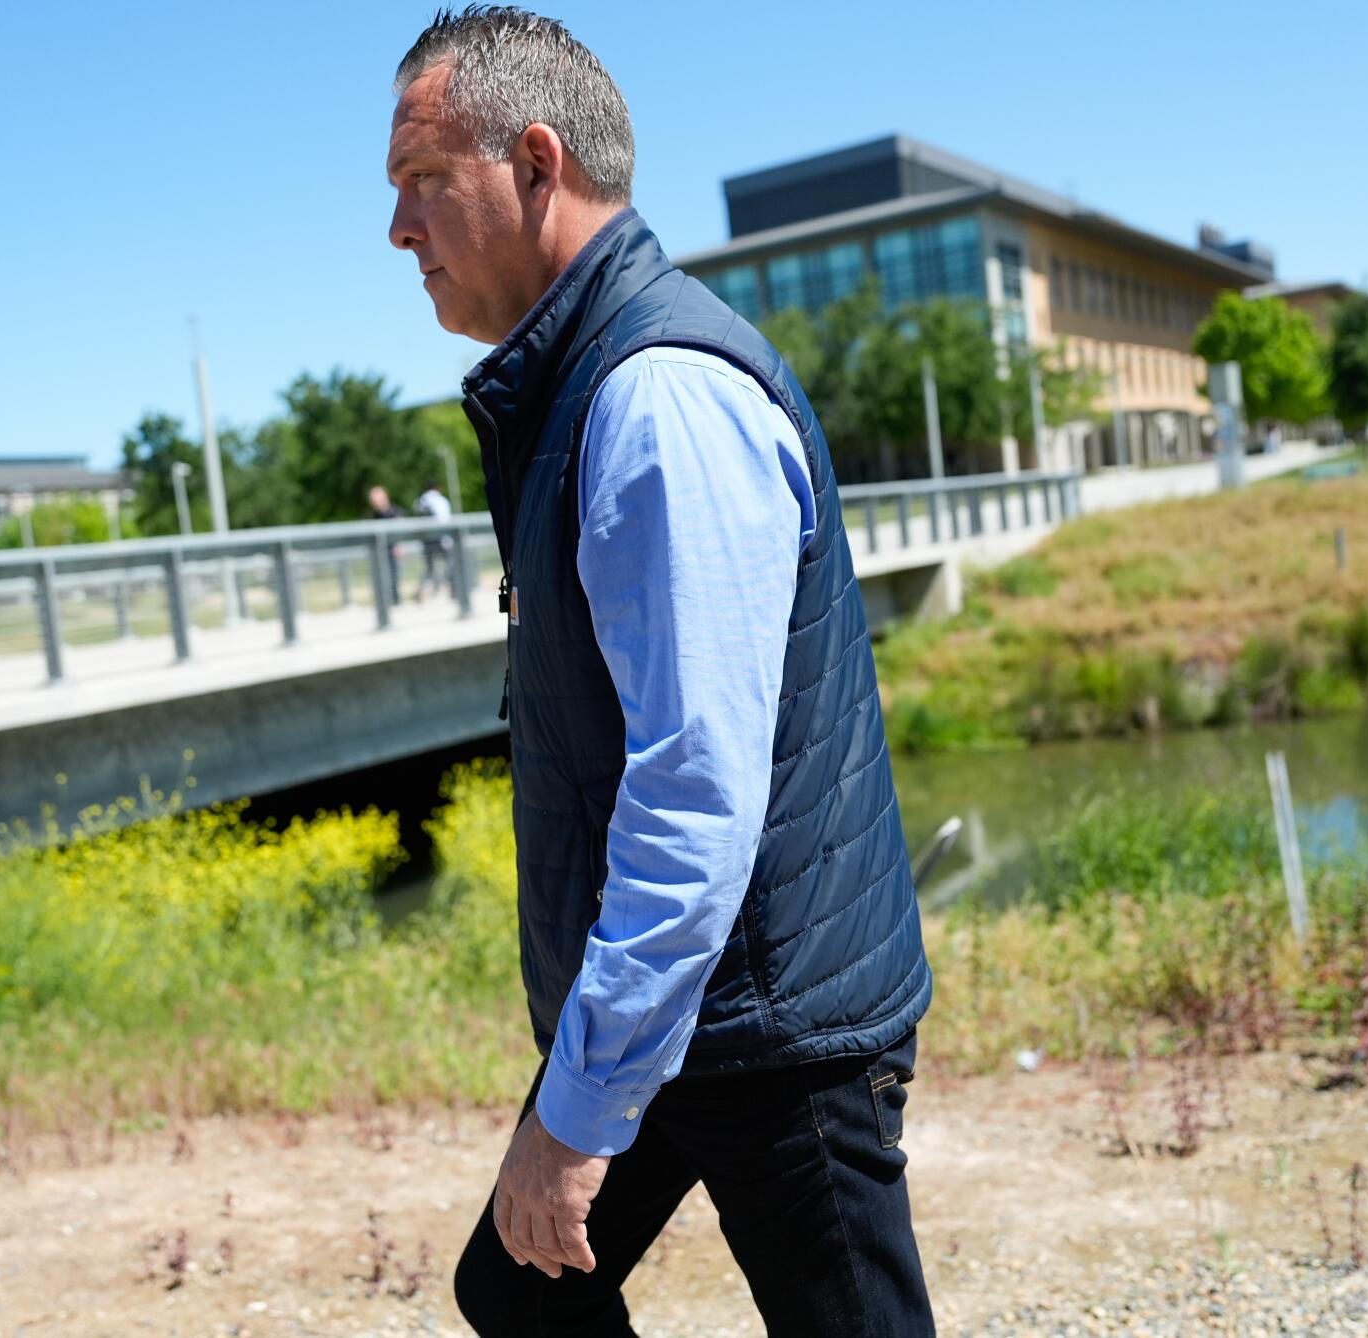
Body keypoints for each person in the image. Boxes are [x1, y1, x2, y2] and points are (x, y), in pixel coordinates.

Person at [386, 9, 935, 1335]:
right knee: (518, 1291)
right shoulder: (577, 381)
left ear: (533, 163)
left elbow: (694, 797)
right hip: (691, 1001)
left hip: (775, 1020)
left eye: (419, 185)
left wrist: (575, 1119)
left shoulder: (656, 397)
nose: (398, 232)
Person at [413, 478, 455, 601]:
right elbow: (445, 520)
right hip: (441, 538)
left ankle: (421, 589)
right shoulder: (441, 501)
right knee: (450, 563)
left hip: (427, 540)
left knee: (429, 567)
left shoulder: (420, 501)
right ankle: (454, 589)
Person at [367, 484, 406, 607]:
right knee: (381, 576)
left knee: (394, 576)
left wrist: (399, 545)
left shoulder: (395, 511)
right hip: (380, 550)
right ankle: (386, 601)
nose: (375, 503)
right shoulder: (375, 514)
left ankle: (395, 601)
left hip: (392, 548)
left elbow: (401, 530)